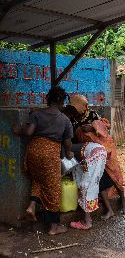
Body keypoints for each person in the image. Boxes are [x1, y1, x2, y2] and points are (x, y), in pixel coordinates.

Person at [12, 86, 74, 235]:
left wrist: (17, 129)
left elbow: (28, 132)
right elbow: (67, 144)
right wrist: (69, 153)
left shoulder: (37, 114)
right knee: (53, 188)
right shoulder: (65, 120)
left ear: (48, 99)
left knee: (38, 179)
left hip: (33, 151)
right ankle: (54, 227)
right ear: (62, 102)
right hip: (50, 154)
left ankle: (31, 207)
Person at [64, 94, 125, 219]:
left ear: (83, 107)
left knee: (114, 174)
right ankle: (109, 210)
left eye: (76, 108)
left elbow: (104, 130)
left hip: (105, 148)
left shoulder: (92, 115)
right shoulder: (71, 119)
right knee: (99, 179)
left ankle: (123, 200)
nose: (75, 110)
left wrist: (92, 129)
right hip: (89, 152)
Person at [68, 142, 107, 230]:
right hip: (102, 151)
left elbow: (77, 176)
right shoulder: (76, 148)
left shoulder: (67, 150)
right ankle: (87, 218)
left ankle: (87, 222)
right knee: (93, 183)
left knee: (86, 186)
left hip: (94, 154)